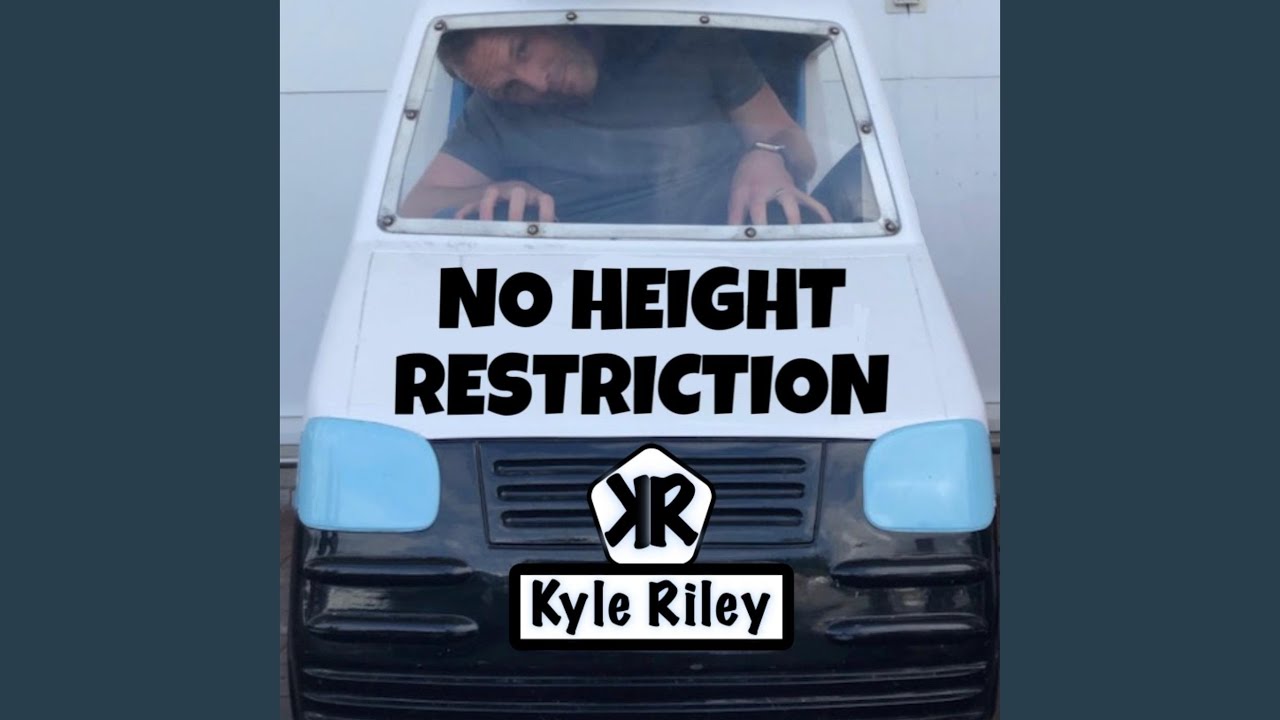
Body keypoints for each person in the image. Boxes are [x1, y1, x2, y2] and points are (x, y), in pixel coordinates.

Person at [400, 25, 834, 226]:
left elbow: (797, 146)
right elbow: (415, 207)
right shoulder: (496, 111)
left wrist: (768, 155)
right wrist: (494, 191)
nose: (535, 82)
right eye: (510, 86)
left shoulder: (694, 45)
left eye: (523, 49)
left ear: (547, 18)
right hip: (566, 289)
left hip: (723, 269)